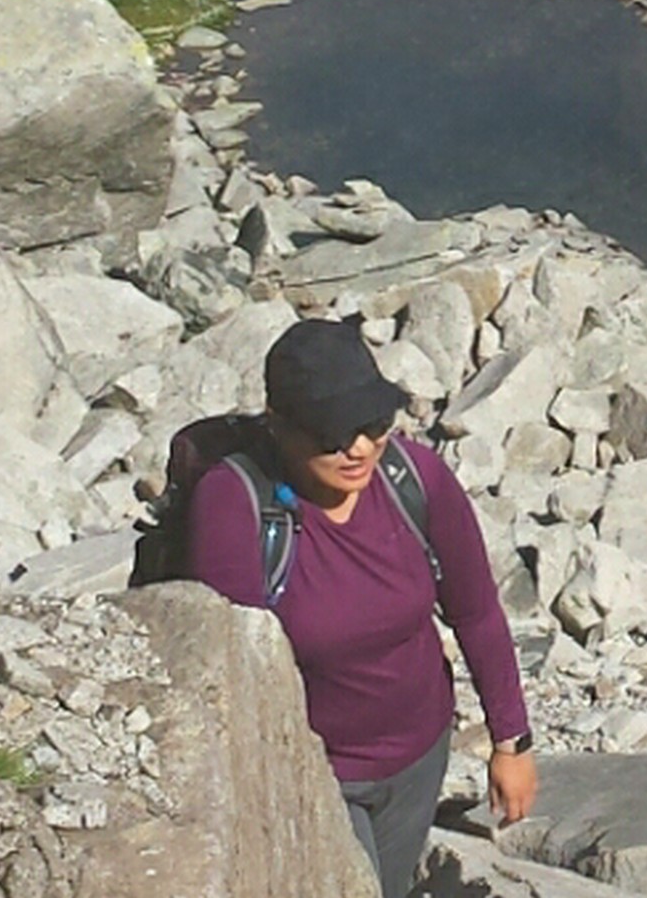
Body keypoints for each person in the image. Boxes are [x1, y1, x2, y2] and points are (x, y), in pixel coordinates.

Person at [187, 318, 538, 898]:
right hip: (317, 774)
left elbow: (476, 611)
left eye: (374, 424)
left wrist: (511, 742)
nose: (358, 448)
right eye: (331, 432)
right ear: (279, 427)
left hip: (420, 753)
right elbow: (235, 676)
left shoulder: (413, 478)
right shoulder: (233, 507)